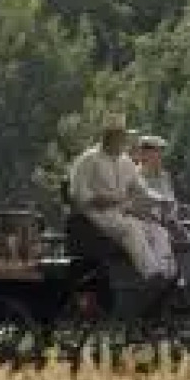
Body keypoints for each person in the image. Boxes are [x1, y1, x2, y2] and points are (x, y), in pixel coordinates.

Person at [67, 113, 176, 285]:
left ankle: (168, 276)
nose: (123, 142)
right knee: (131, 228)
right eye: (119, 137)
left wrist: (161, 200)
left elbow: (141, 190)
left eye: (123, 137)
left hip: (120, 213)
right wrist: (107, 200)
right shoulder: (87, 159)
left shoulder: (125, 162)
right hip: (96, 214)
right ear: (107, 137)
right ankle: (152, 275)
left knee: (158, 231)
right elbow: (77, 194)